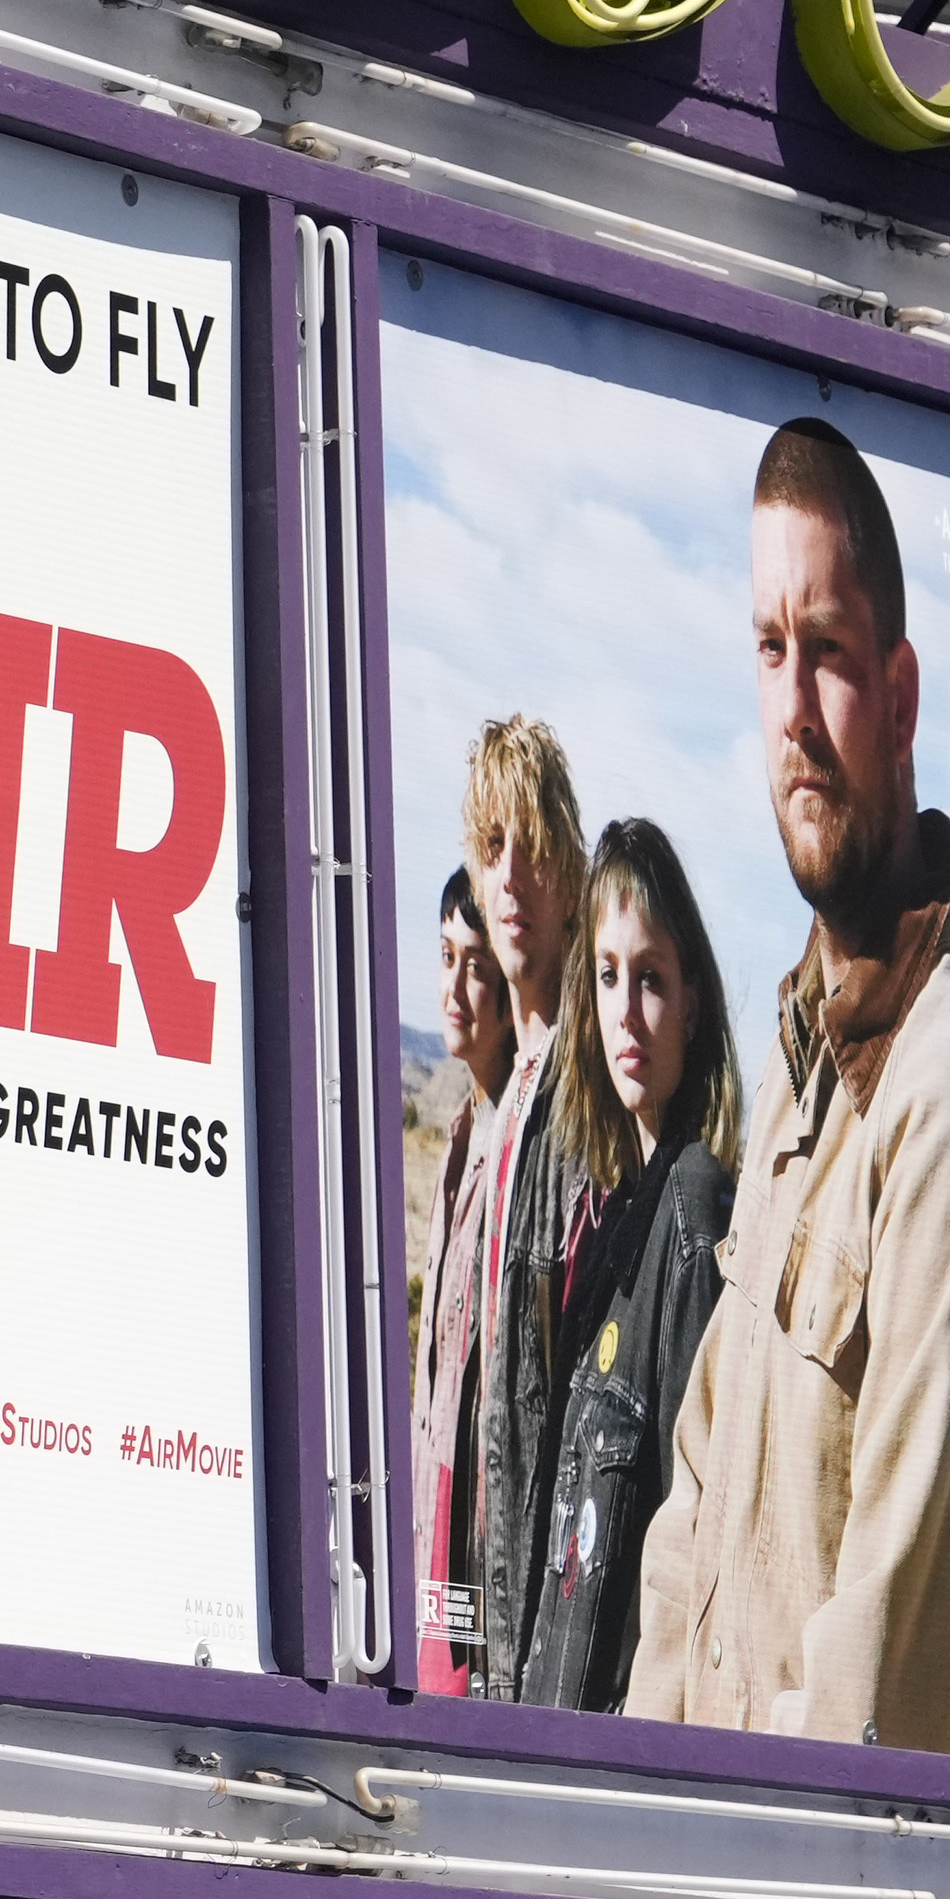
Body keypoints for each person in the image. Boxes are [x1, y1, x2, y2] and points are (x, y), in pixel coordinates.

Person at [625, 416, 950, 1756]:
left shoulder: (948, 1103)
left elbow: (888, 1692)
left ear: (901, 695)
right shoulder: (802, 1076)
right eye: (766, 649)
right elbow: (689, 1526)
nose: (792, 709)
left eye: (829, 654)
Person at [494, 817, 735, 1715]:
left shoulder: (695, 1210)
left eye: (653, 979)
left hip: (615, 1767)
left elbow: (691, 1544)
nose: (626, 1010)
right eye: (606, 976)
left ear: (695, 999)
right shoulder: (615, 1219)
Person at [414, 719, 584, 1700]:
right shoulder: (508, 1095)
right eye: (491, 849)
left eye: (530, 843)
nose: (511, 878)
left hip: (535, 1614)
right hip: (466, 1559)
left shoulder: (584, 1091)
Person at [404, 866, 515, 1342]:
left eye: (474, 967)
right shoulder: (460, 1137)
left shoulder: (517, 1146)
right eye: (447, 957)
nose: (453, 988)